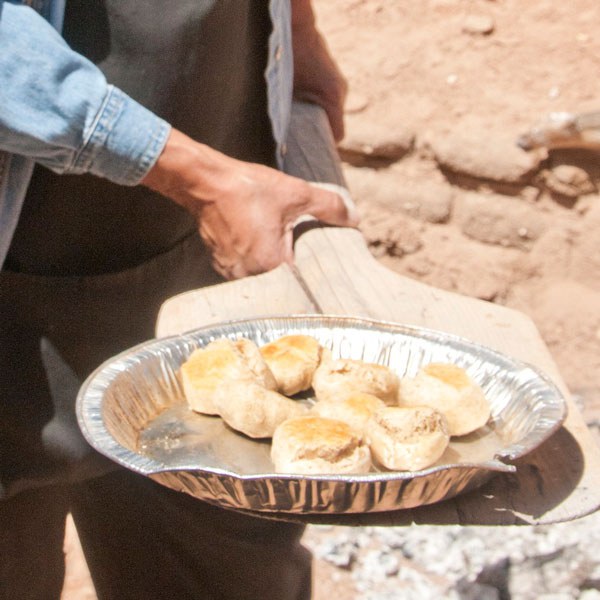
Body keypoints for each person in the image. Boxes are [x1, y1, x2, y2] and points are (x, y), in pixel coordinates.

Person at [0, 1, 357, 598]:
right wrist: (198, 178)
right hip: (21, 286)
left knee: (228, 572)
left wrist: (297, 28)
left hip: (208, 271)